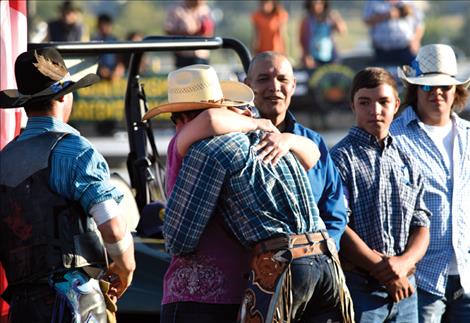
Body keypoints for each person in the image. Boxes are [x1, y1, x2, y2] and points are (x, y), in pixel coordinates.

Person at [143, 64, 323, 323]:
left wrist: (283, 137)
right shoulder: (238, 141)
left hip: (201, 295)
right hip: (251, 289)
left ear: (180, 118)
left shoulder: (193, 142)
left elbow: (210, 121)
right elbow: (211, 120)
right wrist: (262, 125)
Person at [0, 47, 136, 322]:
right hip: (76, 302)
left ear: (26, 103)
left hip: (22, 306)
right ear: (64, 96)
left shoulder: (4, 158)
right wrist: (125, 269)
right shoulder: (76, 150)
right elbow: (111, 226)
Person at [330, 67, 431, 322]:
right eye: (365, 102)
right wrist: (383, 270)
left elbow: (421, 222)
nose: (375, 111)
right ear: (352, 105)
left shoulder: (407, 158)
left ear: (396, 105)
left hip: (406, 287)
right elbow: (338, 225)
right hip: (361, 287)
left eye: (383, 102)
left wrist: (403, 265)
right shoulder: (341, 159)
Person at [390, 44, 470, 323]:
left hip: (467, 276)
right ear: (414, 90)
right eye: (427, 87)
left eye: (444, 86)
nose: (437, 92)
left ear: (456, 91)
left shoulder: (469, 135)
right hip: (420, 277)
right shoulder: (394, 136)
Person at [244, 51, 348, 252]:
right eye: (264, 79)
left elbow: (335, 213)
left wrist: (323, 252)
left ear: (293, 85)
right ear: (248, 85)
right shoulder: (237, 141)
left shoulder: (313, 141)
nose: (274, 87)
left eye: (282, 79)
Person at [363, 0, 425, 66]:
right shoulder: (373, 1)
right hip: (382, 50)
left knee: (413, 72)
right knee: (382, 75)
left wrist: (415, 41)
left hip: (406, 49)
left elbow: (419, 24)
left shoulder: (409, 2)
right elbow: (367, 21)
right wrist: (386, 15)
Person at [165, 0, 215, 68]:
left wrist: (206, 31)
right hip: (184, 56)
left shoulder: (205, 9)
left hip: (202, 55)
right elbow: (169, 30)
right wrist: (188, 35)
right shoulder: (176, 9)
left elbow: (210, 32)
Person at [299, 0, 347, 68]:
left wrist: (336, 18)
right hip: (313, 58)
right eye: (314, 3)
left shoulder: (330, 17)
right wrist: (307, 55)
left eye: (320, 3)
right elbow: (302, 40)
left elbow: (342, 31)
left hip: (330, 57)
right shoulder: (307, 20)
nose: (317, 6)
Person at [92, 13, 125, 81]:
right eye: (102, 25)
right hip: (98, 74)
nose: (104, 27)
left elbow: (120, 60)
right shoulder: (94, 41)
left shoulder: (115, 40)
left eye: (106, 25)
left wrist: (117, 71)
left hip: (114, 75)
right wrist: (101, 70)